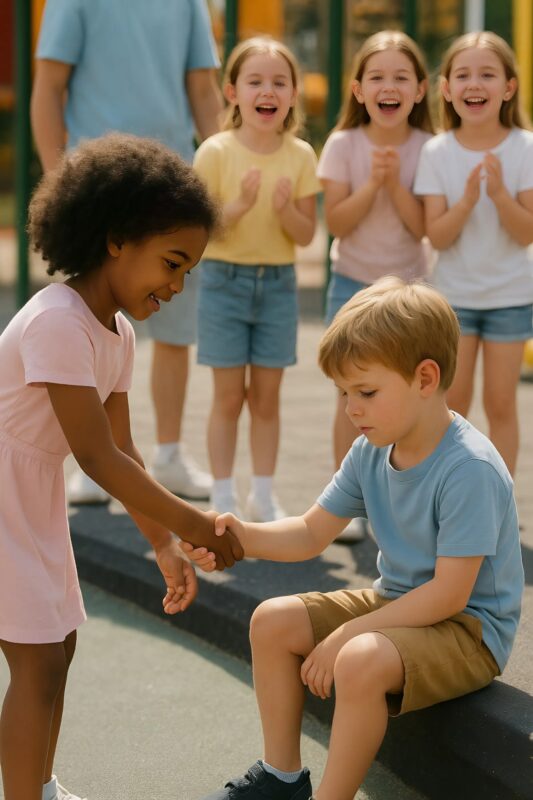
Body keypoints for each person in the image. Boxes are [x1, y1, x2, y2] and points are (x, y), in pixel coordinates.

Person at [184, 277, 524, 800]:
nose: (351, 409)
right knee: (272, 621)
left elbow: (450, 596)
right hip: (399, 605)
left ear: (425, 378)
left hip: (467, 631)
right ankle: (281, 778)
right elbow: (310, 532)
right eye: (344, 393)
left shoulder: (469, 468)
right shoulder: (371, 450)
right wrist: (240, 534)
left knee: (359, 657)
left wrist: (348, 634)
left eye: (366, 392)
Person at [0, 135, 242, 800]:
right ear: (115, 240)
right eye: (171, 261)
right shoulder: (57, 321)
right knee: (38, 660)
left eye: (188, 269)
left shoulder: (117, 333)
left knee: (58, 651)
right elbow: (96, 456)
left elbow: (124, 450)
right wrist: (197, 523)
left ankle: (39, 786)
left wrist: (163, 542)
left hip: (30, 492)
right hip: (4, 492)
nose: (178, 283)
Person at [31, 0, 224, 505]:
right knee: (90, 325)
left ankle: (168, 455)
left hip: (176, 189)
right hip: (101, 192)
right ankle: (86, 460)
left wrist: (221, 174)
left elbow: (203, 90)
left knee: (175, 332)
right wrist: (61, 188)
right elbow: (49, 87)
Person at [193, 37, 320, 521]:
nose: (268, 91)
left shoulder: (302, 155)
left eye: (279, 83)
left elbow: (307, 235)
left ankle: (262, 494)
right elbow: (201, 230)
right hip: (224, 284)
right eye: (255, 81)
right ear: (232, 92)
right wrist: (241, 205)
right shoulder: (215, 153)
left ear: (292, 95)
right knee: (228, 397)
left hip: (278, 286)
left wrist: (286, 209)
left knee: (266, 398)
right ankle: (223, 492)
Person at [317, 30, 434, 542]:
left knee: (408, 400)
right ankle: (348, 504)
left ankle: (407, 503)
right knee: (352, 397)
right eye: (378, 77)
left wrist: (393, 185)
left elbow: (423, 227)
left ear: (421, 89)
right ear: (359, 90)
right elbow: (338, 223)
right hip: (351, 283)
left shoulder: (430, 148)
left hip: (409, 293)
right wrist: (373, 184)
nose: (389, 86)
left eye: (401, 77)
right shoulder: (344, 145)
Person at [414, 31, 533, 477]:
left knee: (501, 404)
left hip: (509, 297)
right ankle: (448, 494)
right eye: (462, 75)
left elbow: (526, 234)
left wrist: (500, 195)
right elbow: (438, 236)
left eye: (487, 74)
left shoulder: (525, 147)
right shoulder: (437, 151)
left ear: (509, 87)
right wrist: (466, 201)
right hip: (454, 299)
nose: (474, 84)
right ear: (446, 88)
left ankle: (499, 503)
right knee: (452, 404)